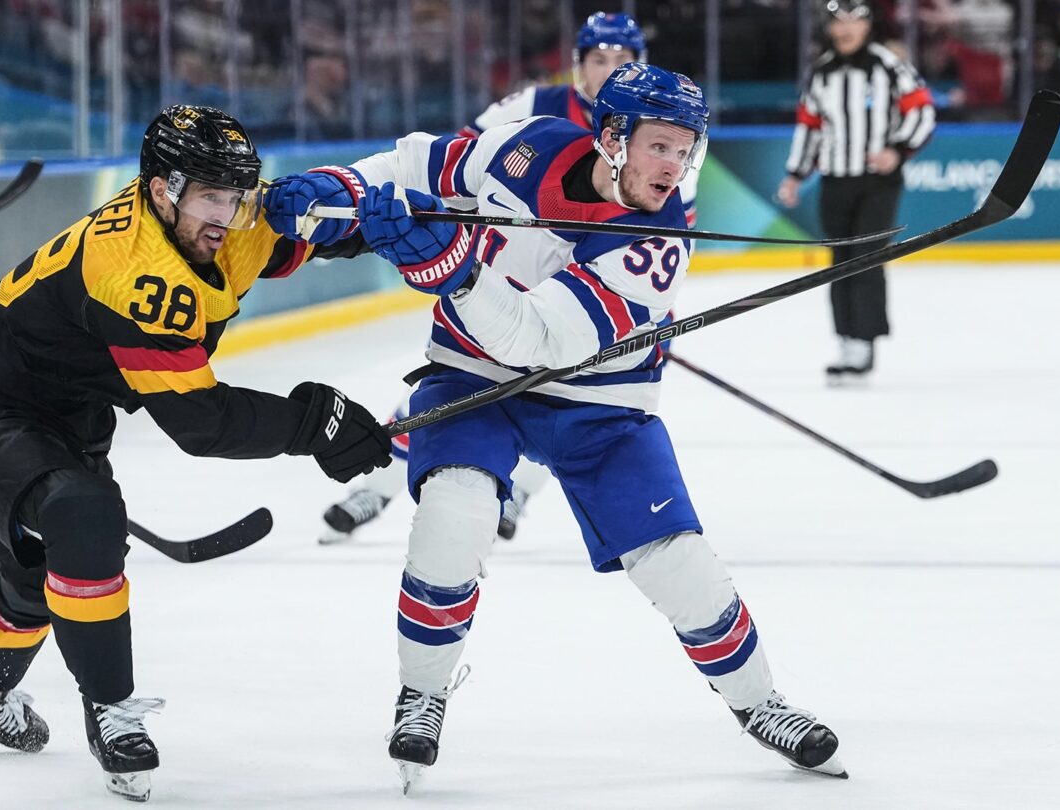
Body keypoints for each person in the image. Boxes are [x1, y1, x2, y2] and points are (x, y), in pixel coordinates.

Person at [268, 63, 847, 794]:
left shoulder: (655, 247)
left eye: (684, 149)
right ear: (612, 137)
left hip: (601, 402)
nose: (674, 166)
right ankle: (423, 691)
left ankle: (761, 703)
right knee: (456, 514)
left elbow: (536, 343)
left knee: (679, 564)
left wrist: (446, 267)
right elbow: (419, 162)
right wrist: (343, 188)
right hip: (473, 377)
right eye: (659, 146)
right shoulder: (531, 143)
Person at [0, 105, 392, 802]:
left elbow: (298, 242)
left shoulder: (209, 220)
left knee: (40, 570)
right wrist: (312, 425)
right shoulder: (135, 268)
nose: (226, 216)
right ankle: (110, 710)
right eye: (210, 197)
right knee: (85, 517)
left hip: (67, 415)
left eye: (235, 196)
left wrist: (378, 227)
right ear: (163, 189)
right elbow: (199, 422)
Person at [315, 11, 685, 545]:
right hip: (498, 284)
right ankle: (381, 486)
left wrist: (640, 323)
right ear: (577, 66)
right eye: (597, 60)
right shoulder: (536, 109)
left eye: (621, 62)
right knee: (452, 391)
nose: (608, 72)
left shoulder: (662, 146)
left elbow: (661, 253)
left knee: (569, 403)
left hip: (582, 304)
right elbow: (465, 164)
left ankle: (518, 492)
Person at [777, 0, 935, 385]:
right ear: (829, 27)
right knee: (839, 260)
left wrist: (896, 150)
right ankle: (846, 340)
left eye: (854, 20)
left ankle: (864, 344)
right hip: (835, 180)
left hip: (877, 181)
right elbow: (810, 127)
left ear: (868, 26)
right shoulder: (821, 72)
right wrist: (795, 175)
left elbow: (923, 112)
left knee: (866, 257)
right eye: (839, 21)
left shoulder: (888, 64)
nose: (846, 28)